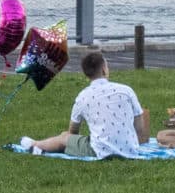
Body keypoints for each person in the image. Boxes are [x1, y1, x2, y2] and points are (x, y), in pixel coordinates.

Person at [25, 47, 154, 156]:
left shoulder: (83, 97)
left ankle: (35, 145)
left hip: (100, 151)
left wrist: (69, 137)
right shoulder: (126, 90)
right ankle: (37, 146)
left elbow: (73, 131)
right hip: (130, 148)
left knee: (65, 137)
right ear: (104, 69)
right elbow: (140, 126)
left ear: (86, 74)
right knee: (68, 138)